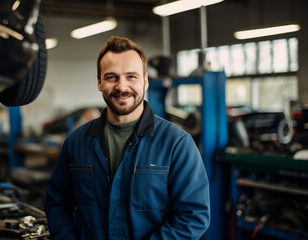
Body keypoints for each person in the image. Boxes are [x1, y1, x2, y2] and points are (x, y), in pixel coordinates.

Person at [44, 36, 210, 239]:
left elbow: (194, 216)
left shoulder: (177, 144)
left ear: (145, 81)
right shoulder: (77, 142)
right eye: (111, 77)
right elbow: (57, 203)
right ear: (99, 82)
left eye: (131, 76)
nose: (122, 87)